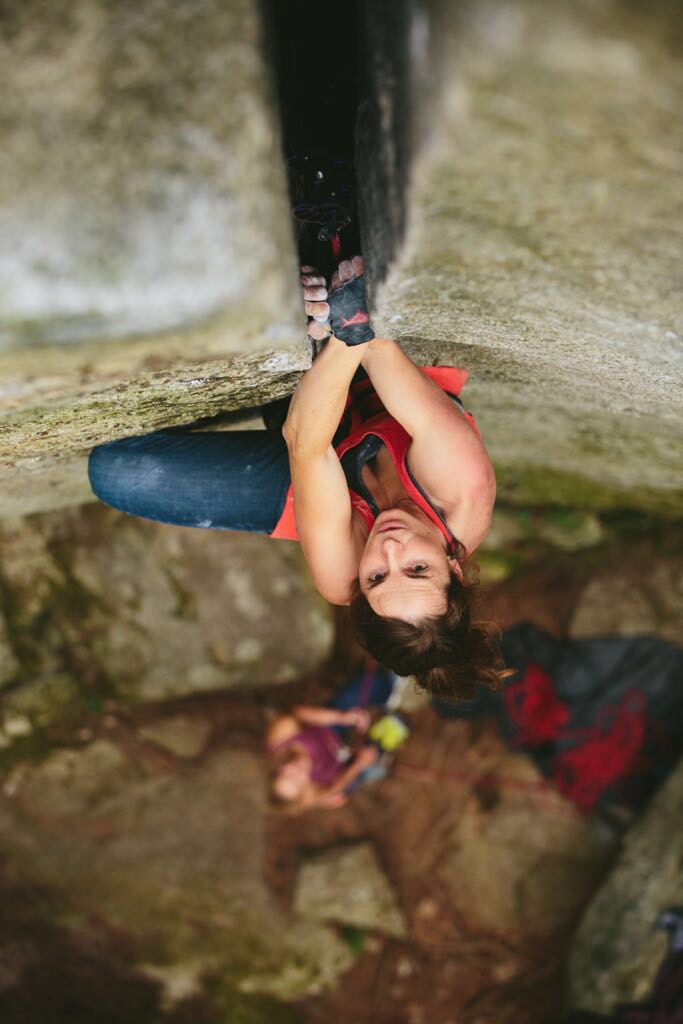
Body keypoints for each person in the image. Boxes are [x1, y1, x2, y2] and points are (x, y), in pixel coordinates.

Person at [88, 258, 504, 700]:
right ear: (454, 570)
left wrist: (338, 325)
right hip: (386, 384)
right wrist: (346, 319)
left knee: (117, 474)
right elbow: (378, 347)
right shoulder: (464, 490)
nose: (389, 548)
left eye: (377, 577)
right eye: (418, 569)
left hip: (312, 474)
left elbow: (304, 442)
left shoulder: (341, 574)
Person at [266, 662, 407, 810]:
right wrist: (358, 764)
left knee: (374, 686)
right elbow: (334, 787)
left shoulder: (280, 740)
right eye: (298, 782)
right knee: (343, 793)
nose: (297, 772)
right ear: (305, 787)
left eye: (287, 776)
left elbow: (298, 713)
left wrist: (342, 717)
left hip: (329, 729)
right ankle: (376, 765)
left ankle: (389, 681)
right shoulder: (310, 795)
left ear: (277, 770)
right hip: (341, 762)